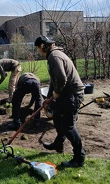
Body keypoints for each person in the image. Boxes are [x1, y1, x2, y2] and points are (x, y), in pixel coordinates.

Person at [34, 35, 86, 168]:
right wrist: (48, 99)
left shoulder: (54, 57)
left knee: (68, 127)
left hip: (72, 95)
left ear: (42, 47)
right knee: (57, 118)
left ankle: (79, 158)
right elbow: (54, 80)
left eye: (37, 49)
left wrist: (55, 94)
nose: (37, 52)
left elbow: (62, 79)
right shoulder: (53, 55)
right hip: (65, 93)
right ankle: (58, 144)